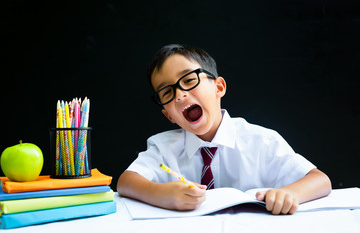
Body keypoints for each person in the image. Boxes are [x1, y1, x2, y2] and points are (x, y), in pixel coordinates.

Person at [117, 44, 332, 215]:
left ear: (218, 87)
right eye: (167, 93)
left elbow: (320, 180)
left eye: (189, 80)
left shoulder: (261, 141)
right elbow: (126, 182)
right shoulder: (163, 147)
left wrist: (289, 193)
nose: (180, 95)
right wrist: (161, 194)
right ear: (168, 114)